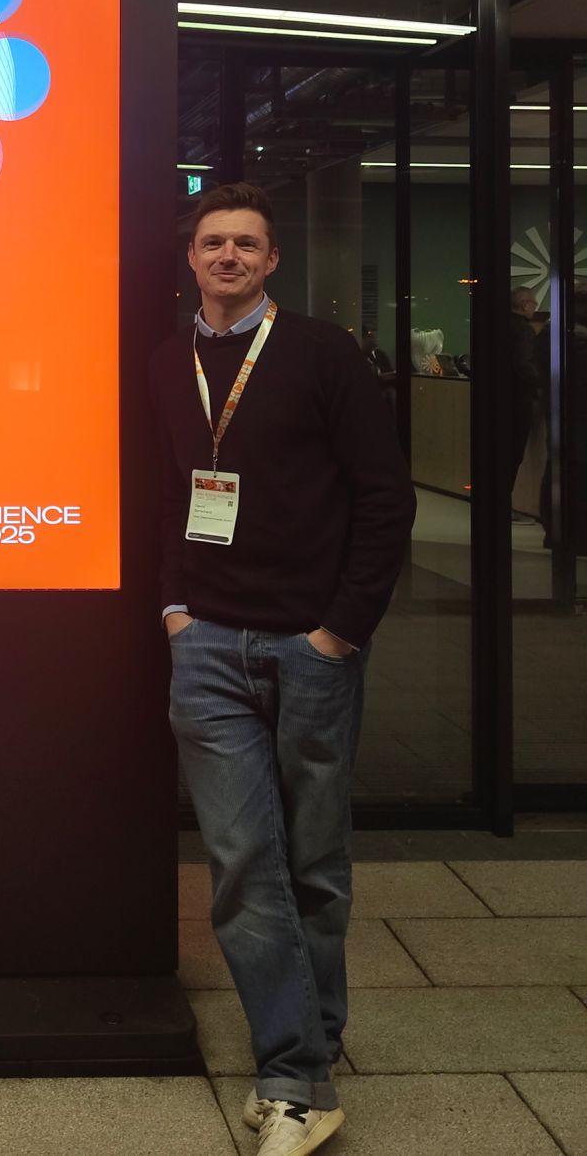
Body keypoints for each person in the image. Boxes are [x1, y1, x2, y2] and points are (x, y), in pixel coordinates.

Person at [151, 182, 414, 1155]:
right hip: (208, 643)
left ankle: (308, 1052)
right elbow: (168, 493)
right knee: (241, 861)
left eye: (246, 244)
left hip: (310, 644)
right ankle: (297, 1077)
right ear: (192, 258)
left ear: (270, 261)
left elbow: (383, 497)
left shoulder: (321, 354)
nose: (228, 255)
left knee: (314, 864)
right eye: (213, 241)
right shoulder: (167, 361)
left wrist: (339, 631)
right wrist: (175, 609)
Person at [510, 286, 539, 497]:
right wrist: (544, 382)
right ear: (524, 304)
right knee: (514, 455)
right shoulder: (525, 330)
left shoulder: (496, 325)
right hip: (519, 399)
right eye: (534, 303)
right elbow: (524, 363)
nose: (535, 308)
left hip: (501, 400)